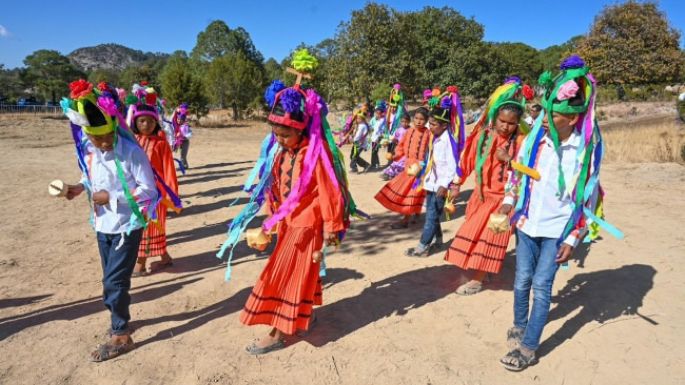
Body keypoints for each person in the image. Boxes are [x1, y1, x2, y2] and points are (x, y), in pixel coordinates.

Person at [216, 50, 361, 355]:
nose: (279, 139)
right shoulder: (282, 152)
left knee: (283, 275)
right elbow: (277, 189)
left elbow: (328, 192)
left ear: (301, 130)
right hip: (288, 225)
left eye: (285, 134)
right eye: (276, 133)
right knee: (300, 275)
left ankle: (278, 330)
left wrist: (333, 226)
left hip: (306, 227)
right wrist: (271, 218)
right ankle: (303, 315)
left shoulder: (314, 155)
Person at [499, 55, 622, 371]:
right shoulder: (535, 143)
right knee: (521, 279)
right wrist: (509, 203)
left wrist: (573, 237)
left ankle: (528, 347)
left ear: (571, 118)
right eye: (544, 111)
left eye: (552, 114)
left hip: (557, 231)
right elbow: (518, 175)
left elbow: (587, 199)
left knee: (542, 286)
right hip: (526, 225)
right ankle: (518, 323)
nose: (542, 118)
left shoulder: (583, 152)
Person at [60, 79, 157, 361]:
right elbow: (90, 178)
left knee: (114, 281)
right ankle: (119, 319)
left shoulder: (132, 152)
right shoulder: (90, 153)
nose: (102, 143)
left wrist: (112, 198)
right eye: (95, 138)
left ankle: (121, 334)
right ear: (86, 135)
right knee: (112, 280)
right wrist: (78, 189)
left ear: (114, 127)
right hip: (102, 225)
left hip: (128, 226)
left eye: (106, 136)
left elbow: (149, 191)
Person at [444, 77, 533, 295]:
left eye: (512, 123)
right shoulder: (482, 137)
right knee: (474, 235)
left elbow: (526, 174)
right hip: (480, 198)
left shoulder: (523, 142)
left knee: (490, 238)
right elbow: (466, 162)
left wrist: (509, 161)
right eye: (503, 121)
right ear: (496, 117)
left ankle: (478, 280)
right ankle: (484, 270)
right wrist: (456, 184)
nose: (506, 126)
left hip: (504, 202)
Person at [128, 99, 179, 276]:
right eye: (142, 121)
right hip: (136, 193)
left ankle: (140, 263)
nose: (146, 124)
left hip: (156, 196)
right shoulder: (131, 142)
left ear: (156, 122)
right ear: (135, 122)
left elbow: (169, 170)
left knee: (148, 226)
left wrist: (172, 197)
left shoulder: (161, 144)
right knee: (145, 226)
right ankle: (165, 258)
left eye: (150, 121)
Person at [374, 107, 431, 229]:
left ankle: (405, 220)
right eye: (416, 118)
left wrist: (423, 165)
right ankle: (415, 213)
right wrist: (395, 156)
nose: (418, 121)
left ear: (426, 121)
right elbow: (401, 147)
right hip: (408, 167)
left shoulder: (428, 134)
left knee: (412, 191)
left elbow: (432, 151)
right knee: (409, 191)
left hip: (420, 168)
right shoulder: (409, 132)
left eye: (421, 119)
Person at [381, 113, 411, 180]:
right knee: (396, 162)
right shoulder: (399, 130)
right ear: (400, 121)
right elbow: (396, 139)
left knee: (402, 163)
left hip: (406, 150)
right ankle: (389, 174)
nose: (404, 123)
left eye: (406, 122)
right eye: (403, 121)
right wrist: (391, 141)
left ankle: (398, 176)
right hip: (399, 149)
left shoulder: (411, 130)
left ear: (409, 121)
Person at [346, 108, 371, 173]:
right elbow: (355, 134)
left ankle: (354, 168)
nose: (357, 120)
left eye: (359, 118)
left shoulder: (362, 126)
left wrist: (352, 139)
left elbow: (358, 136)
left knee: (354, 156)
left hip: (360, 144)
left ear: (362, 119)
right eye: (357, 118)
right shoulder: (359, 125)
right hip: (357, 143)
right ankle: (366, 165)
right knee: (353, 156)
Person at [173, 103, 192, 169]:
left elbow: (189, 135)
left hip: (185, 142)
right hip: (181, 142)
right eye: (178, 119)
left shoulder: (185, 126)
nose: (178, 121)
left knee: (183, 155)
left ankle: (182, 166)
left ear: (183, 120)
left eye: (180, 119)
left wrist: (182, 135)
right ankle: (186, 165)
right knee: (183, 155)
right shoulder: (178, 126)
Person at [369, 100, 387, 169]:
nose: (377, 114)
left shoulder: (383, 120)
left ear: (382, 113)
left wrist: (380, 136)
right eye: (376, 112)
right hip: (373, 138)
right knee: (374, 151)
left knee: (374, 151)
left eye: (379, 113)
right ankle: (375, 163)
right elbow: (371, 126)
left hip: (378, 138)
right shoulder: (374, 119)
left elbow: (383, 130)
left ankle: (374, 164)